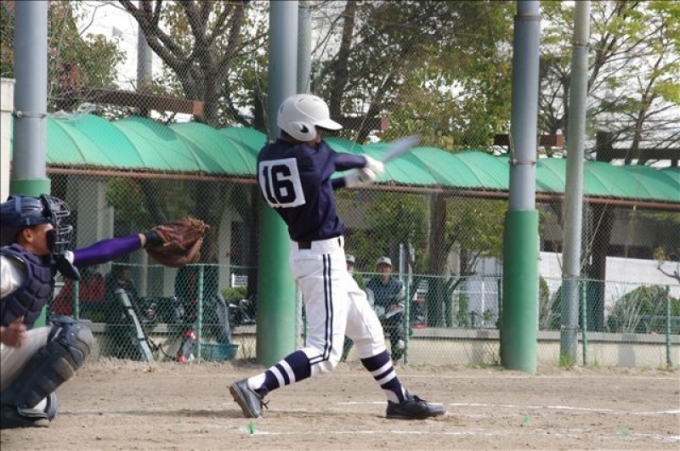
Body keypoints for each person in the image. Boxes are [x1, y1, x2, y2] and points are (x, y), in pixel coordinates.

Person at [228, 94, 445, 420]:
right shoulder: (310, 156)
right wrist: (364, 160)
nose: (320, 136)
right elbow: (330, 161)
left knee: (368, 331)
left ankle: (398, 400)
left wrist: (349, 179)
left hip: (318, 256)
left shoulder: (267, 156)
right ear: (300, 128)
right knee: (325, 351)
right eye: (317, 129)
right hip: (321, 258)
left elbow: (315, 187)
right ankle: (256, 386)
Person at [0, 194, 165, 428]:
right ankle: (9, 410)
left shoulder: (44, 261)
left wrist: (146, 238)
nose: (57, 230)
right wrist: (3, 334)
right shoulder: (6, 265)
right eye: (49, 225)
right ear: (28, 234)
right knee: (72, 335)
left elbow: (101, 252)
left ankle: (10, 406)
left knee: (45, 404)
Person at [366, 256, 407, 362]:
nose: (383, 269)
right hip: (377, 318)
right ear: (377, 269)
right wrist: (385, 310)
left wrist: (397, 307)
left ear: (391, 269)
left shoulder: (398, 285)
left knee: (398, 321)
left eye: (386, 266)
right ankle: (381, 354)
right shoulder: (370, 285)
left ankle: (397, 352)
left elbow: (403, 304)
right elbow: (369, 307)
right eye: (380, 266)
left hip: (393, 318)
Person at [341, 254, 366, 361]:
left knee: (352, 333)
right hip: (339, 307)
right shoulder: (337, 274)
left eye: (350, 263)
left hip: (352, 307)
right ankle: (338, 355)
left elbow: (362, 290)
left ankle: (344, 354)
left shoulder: (357, 276)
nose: (348, 265)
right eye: (346, 263)